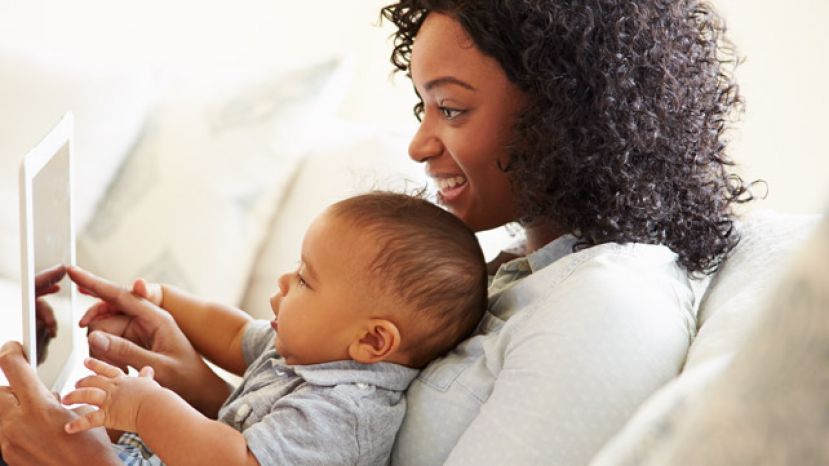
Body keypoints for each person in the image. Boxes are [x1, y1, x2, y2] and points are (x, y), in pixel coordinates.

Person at [0, 1, 754, 465]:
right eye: (423, 107)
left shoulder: (607, 312)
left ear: (566, 112)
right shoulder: (527, 270)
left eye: (451, 110)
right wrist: (191, 384)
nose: (419, 145)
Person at [11, 192, 487, 466]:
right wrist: (162, 298)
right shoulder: (307, 352)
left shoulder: (347, 414)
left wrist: (147, 410)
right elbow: (234, 331)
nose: (284, 280)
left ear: (371, 340)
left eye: (305, 278)